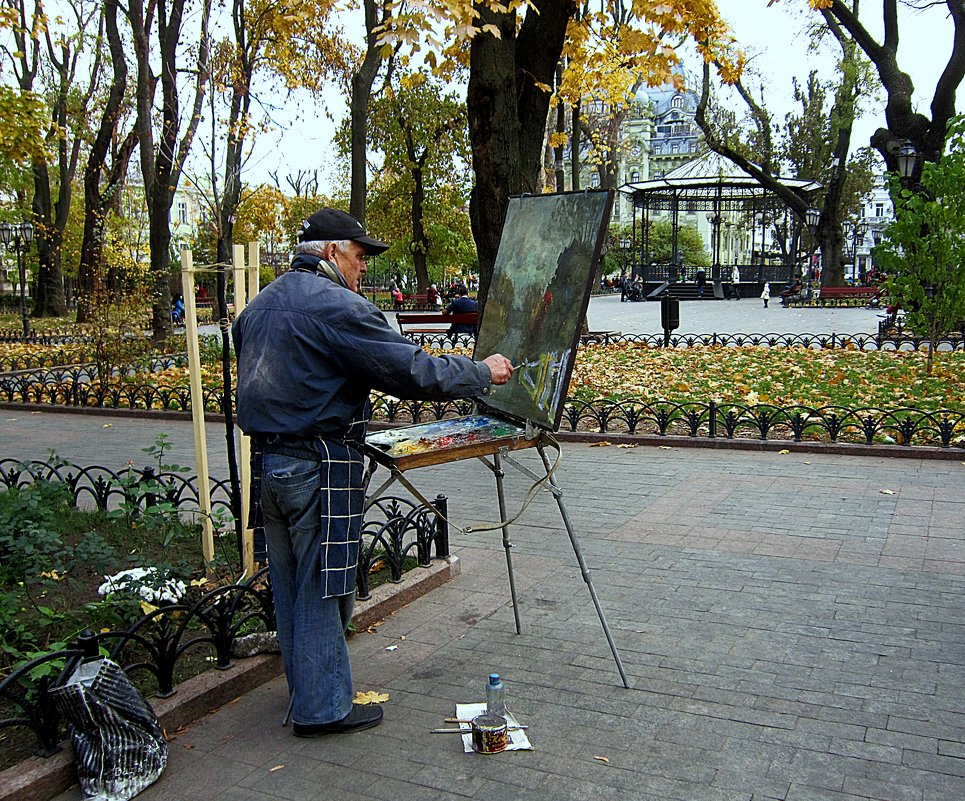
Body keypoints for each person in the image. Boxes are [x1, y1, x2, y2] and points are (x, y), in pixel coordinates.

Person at [232, 208, 513, 737]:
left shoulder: (260, 305)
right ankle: (322, 709)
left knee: (292, 587)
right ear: (332, 251)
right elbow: (411, 370)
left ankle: (306, 691)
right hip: (318, 462)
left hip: (269, 464)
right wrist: (483, 372)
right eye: (360, 256)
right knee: (321, 586)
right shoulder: (337, 306)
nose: (364, 269)